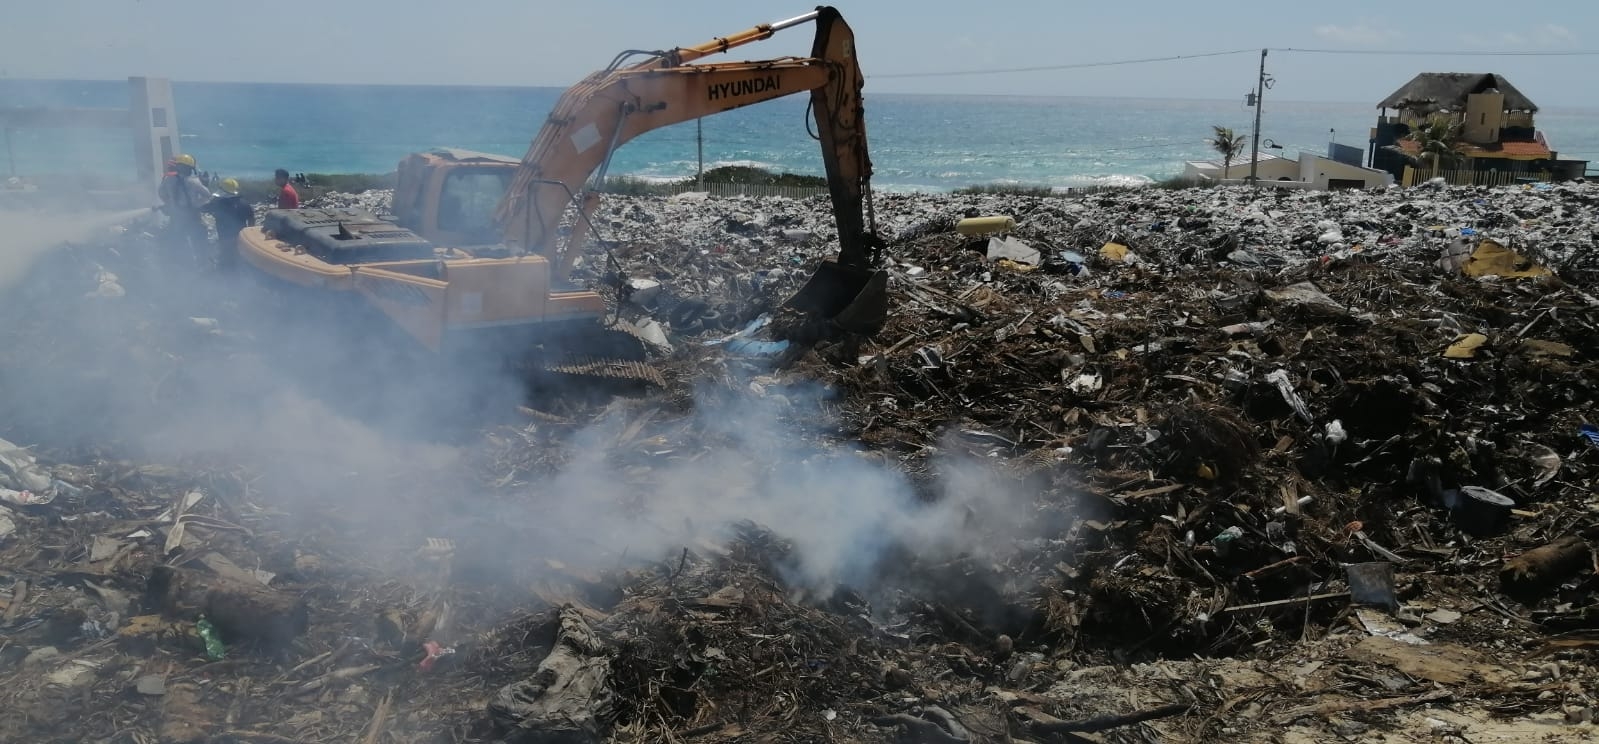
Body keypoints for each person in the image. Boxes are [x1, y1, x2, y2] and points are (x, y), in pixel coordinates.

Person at [158, 154, 213, 258]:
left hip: (176, 216)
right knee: (199, 240)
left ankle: (180, 261)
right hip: (192, 215)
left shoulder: (168, 180)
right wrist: (198, 203)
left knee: (177, 240)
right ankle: (202, 263)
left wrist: (170, 203)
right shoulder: (194, 181)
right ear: (190, 168)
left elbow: (161, 193)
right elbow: (207, 195)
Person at [203, 178, 255, 272]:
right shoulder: (244, 203)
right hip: (241, 237)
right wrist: (249, 235)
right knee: (239, 259)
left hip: (225, 237)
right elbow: (251, 219)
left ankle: (226, 277)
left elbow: (205, 208)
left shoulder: (218, 203)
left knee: (226, 260)